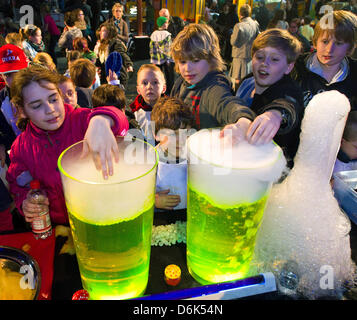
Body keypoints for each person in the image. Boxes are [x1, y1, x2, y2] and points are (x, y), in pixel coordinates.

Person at [6, 65, 129, 226]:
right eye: (37, 106)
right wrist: (25, 202)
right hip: (60, 227)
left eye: (53, 99)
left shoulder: (84, 120)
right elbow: (19, 185)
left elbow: (121, 121)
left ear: (60, 95)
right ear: (21, 110)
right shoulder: (20, 149)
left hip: (103, 219)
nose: (50, 109)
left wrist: (102, 120)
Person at [170, 23, 260, 145]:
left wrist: (243, 121)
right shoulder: (181, 82)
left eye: (195, 60)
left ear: (211, 59)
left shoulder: (214, 87)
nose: (187, 68)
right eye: (182, 61)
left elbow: (227, 104)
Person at [236, 28, 304, 167]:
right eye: (259, 57)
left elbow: (289, 105)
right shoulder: (246, 82)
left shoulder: (290, 90)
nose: (264, 63)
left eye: (274, 59)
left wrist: (276, 115)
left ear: (288, 67)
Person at [291, 10, 357, 111]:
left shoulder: (354, 73)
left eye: (339, 43)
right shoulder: (295, 67)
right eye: (325, 41)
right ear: (315, 41)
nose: (329, 49)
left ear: (350, 47)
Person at [151, 96, 195, 213]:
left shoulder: (193, 155)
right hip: (163, 221)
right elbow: (138, 194)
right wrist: (154, 201)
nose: (180, 140)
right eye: (172, 134)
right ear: (156, 134)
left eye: (185, 133)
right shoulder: (150, 160)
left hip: (188, 216)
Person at [129, 64, 167, 144]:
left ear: (164, 88)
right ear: (138, 90)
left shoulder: (171, 112)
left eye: (155, 82)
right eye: (145, 83)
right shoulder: (134, 114)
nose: (149, 86)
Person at [229, 4, 260, 91]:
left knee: (238, 78)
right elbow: (258, 38)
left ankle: (238, 94)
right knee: (247, 77)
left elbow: (233, 42)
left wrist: (231, 35)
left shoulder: (239, 26)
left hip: (239, 55)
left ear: (240, 13)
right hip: (250, 55)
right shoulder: (255, 24)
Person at [94, 22, 133, 88]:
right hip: (106, 77)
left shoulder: (116, 43)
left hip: (117, 76)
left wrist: (129, 64)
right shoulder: (100, 45)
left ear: (110, 33)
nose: (100, 32)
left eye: (103, 31)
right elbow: (100, 62)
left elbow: (122, 54)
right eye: (100, 31)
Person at [150, 16, 175, 94]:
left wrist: (153, 59)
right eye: (166, 22)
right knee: (169, 77)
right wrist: (168, 59)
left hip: (157, 59)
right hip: (166, 59)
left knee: (158, 76)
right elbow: (167, 49)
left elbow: (152, 48)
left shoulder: (154, 34)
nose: (167, 24)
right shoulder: (167, 34)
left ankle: (159, 91)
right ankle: (170, 91)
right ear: (163, 24)